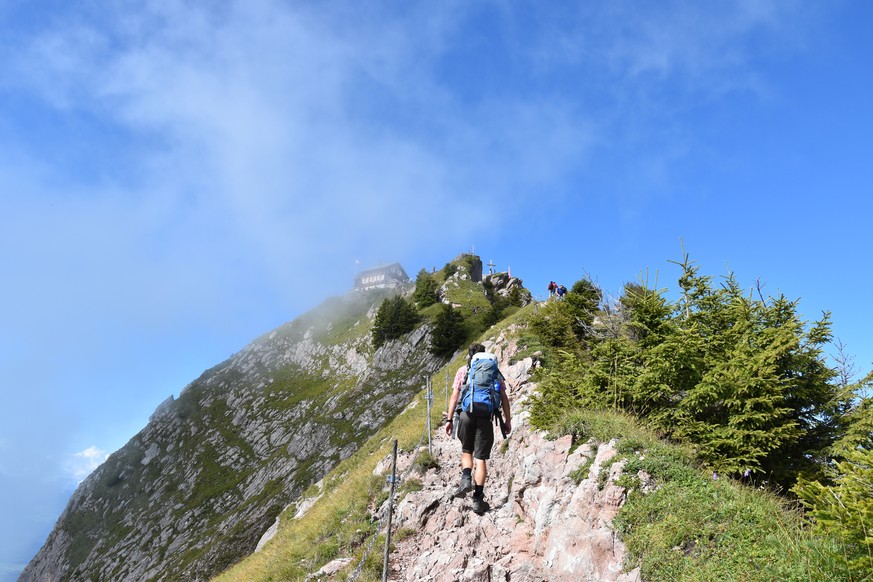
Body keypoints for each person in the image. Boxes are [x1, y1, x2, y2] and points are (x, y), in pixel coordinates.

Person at [445, 343, 512, 514]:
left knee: (467, 450)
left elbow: (454, 396)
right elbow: (504, 398)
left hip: (466, 414)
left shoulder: (463, 371)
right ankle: (478, 499)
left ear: (470, 356)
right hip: (485, 417)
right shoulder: (494, 371)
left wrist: (449, 419)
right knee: (481, 458)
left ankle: (466, 477)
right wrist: (507, 421)